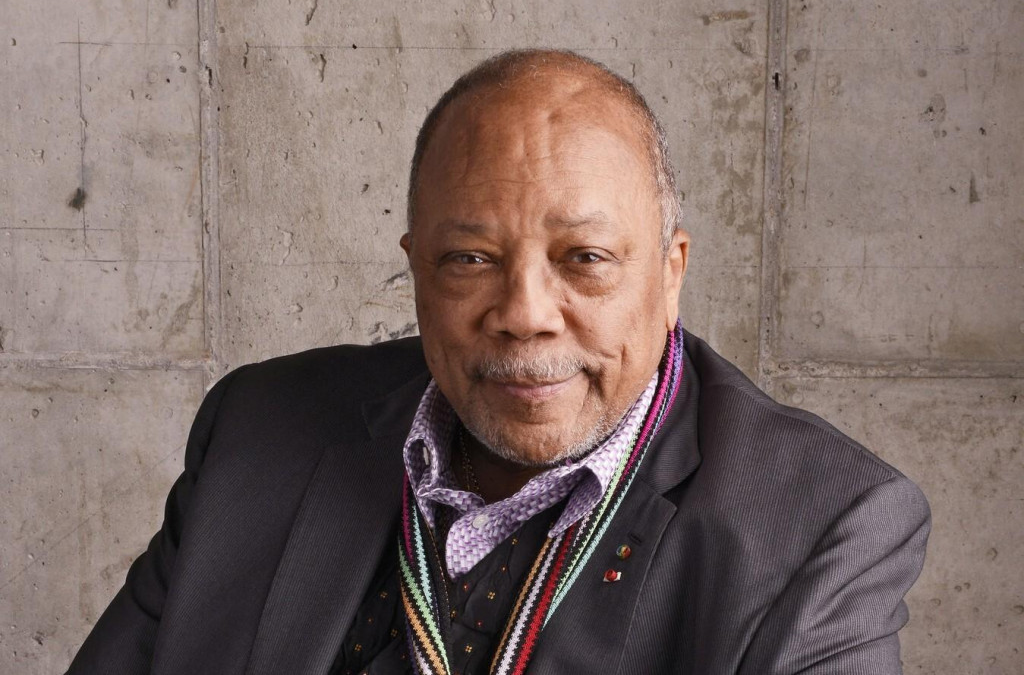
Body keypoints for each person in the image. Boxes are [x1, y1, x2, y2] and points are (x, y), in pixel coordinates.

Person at [66, 49, 930, 675]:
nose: (524, 314)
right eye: (470, 259)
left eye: (585, 258)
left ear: (671, 274)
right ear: (416, 266)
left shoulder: (820, 528)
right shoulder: (259, 428)